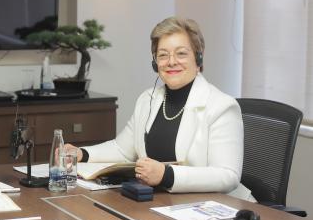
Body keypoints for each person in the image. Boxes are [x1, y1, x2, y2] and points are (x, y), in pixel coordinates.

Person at [65, 17, 253, 200]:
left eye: (181, 53)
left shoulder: (221, 106)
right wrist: (82, 154)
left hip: (217, 211)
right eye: (163, 55)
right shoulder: (148, 99)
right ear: (155, 63)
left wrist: (167, 175)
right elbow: (122, 149)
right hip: (164, 205)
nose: (171, 62)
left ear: (198, 58)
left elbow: (227, 175)